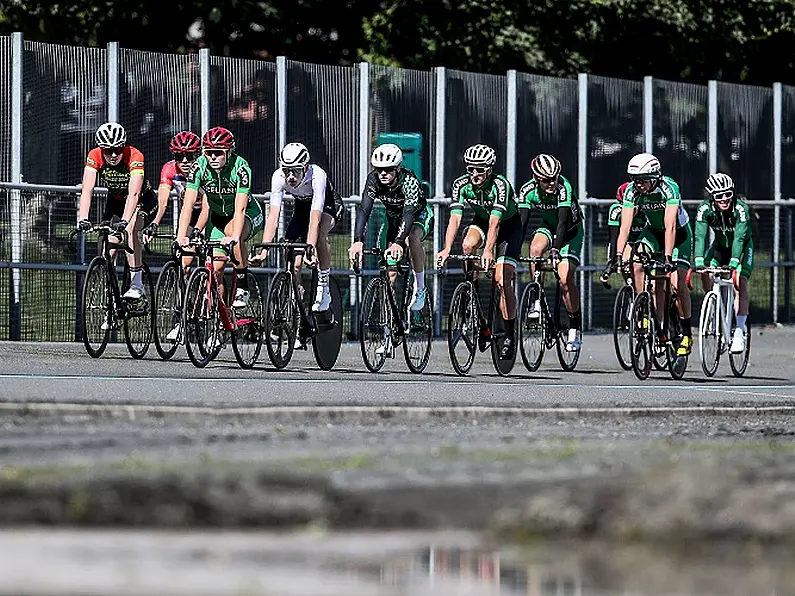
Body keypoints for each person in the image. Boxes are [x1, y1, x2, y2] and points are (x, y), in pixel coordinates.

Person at [436, 144, 522, 360]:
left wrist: (488, 250)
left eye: (480, 170)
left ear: (490, 169)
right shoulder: (461, 185)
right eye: (470, 169)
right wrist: (446, 249)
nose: (474, 174)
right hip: (481, 222)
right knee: (466, 246)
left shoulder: (500, 185)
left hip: (508, 228)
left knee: (503, 281)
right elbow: (455, 219)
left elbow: (495, 223)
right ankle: (471, 294)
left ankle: (510, 335)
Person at [176, 126, 264, 312]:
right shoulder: (198, 166)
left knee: (233, 232)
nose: (213, 157)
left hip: (247, 213)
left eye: (218, 153)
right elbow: (188, 204)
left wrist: (233, 237)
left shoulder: (240, 168)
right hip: (217, 218)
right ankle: (219, 319)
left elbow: (239, 209)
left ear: (229, 152)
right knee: (215, 270)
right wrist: (181, 235)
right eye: (209, 152)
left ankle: (243, 285)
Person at [615, 152, 694, 356]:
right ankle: (644, 310)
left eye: (643, 180)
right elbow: (624, 228)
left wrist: (667, 258)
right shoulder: (632, 191)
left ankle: (686, 332)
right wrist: (617, 256)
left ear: (655, 176)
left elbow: (670, 226)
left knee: (677, 283)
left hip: (678, 236)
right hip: (653, 233)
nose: (638, 184)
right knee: (637, 262)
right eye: (635, 180)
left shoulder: (669, 187)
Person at [253, 142, 343, 312]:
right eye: (287, 171)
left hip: (327, 207)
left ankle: (324, 286)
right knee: (292, 256)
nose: (291, 176)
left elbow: (315, 219)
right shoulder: (278, 177)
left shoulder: (318, 175)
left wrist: (310, 248)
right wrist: (264, 249)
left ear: (306, 167)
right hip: (302, 209)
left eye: (296, 171)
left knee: (320, 235)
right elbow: (273, 216)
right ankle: (297, 293)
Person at [77, 122, 157, 301]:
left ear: (124, 147)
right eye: (108, 150)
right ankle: (110, 300)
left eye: (118, 150)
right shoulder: (94, 155)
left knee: (130, 230)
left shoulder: (135, 155)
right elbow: (87, 189)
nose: (113, 155)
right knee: (108, 249)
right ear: (101, 149)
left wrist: (125, 221)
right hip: (116, 201)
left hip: (142, 200)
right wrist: (83, 218)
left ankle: (137, 285)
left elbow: (134, 193)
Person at [349, 143, 434, 311]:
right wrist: (358, 241)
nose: (382, 174)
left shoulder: (409, 181)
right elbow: (364, 209)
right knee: (390, 273)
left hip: (418, 216)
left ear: (398, 168)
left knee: (412, 238)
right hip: (394, 221)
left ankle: (420, 288)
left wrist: (398, 242)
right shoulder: (373, 179)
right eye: (379, 169)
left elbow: (409, 215)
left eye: (388, 170)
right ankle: (390, 323)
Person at [146, 131, 210, 342]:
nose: (184, 161)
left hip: (211, 214)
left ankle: (211, 315)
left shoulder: (206, 168)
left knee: (214, 267)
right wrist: (154, 224)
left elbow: (208, 207)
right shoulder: (169, 169)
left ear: (197, 155)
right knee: (184, 265)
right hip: (190, 215)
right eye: (179, 156)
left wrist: (198, 232)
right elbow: (162, 203)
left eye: (189, 156)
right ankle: (180, 318)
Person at [518, 153, 584, 352]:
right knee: (535, 249)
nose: (552, 182)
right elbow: (522, 224)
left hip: (570, 232)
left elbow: (563, 223)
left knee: (564, 280)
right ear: (536, 178)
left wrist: (556, 249)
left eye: (555, 177)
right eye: (546, 180)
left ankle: (575, 326)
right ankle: (536, 297)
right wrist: (513, 250)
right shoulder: (527, 190)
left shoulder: (563, 187)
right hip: (548, 225)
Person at [694, 172, 754, 353]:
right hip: (719, 247)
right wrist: (698, 261)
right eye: (719, 195)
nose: (725, 199)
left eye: (728, 194)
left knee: (740, 283)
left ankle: (739, 331)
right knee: (705, 273)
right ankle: (714, 310)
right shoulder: (705, 209)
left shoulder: (740, 208)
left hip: (742, 248)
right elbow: (700, 235)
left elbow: (740, 237)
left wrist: (735, 262)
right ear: (711, 196)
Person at [600, 181, 646, 284]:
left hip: (644, 238)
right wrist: (611, 263)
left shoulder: (645, 208)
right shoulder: (615, 210)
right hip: (628, 240)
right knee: (624, 263)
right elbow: (614, 238)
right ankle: (632, 291)